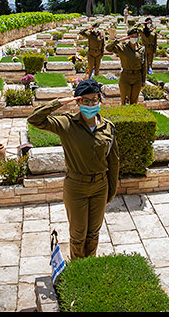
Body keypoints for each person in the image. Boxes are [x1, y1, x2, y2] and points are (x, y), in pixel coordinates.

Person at [27, 78, 119, 260]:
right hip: (76, 187)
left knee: (93, 234)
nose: (91, 103)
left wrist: (111, 191)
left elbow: (114, 162)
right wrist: (60, 102)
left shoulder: (108, 127)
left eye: (94, 99)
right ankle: (77, 269)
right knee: (78, 235)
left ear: (99, 99)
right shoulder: (67, 124)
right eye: (86, 100)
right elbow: (34, 119)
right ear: (78, 101)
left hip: (100, 186)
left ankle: (88, 266)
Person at [105, 28, 147, 105]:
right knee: (125, 101)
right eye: (132, 36)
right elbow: (108, 48)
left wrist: (143, 80)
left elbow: (144, 65)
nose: (134, 38)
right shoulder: (122, 47)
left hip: (137, 77)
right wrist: (119, 40)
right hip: (126, 76)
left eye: (136, 36)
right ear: (128, 37)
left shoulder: (141, 49)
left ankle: (132, 116)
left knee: (134, 102)